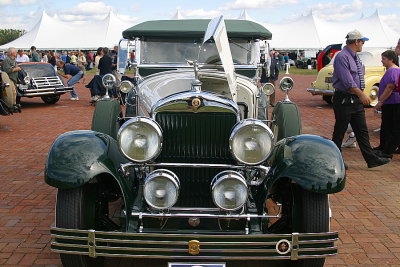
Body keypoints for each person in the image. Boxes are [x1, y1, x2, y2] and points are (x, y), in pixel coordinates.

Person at [331, 29, 390, 168]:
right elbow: (347, 81)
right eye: (362, 41)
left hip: (354, 100)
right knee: (340, 131)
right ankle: (334, 159)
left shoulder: (355, 56)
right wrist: (361, 94)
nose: (363, 43)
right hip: (345, 99)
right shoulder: (342, 57)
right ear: (356, 41)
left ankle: (371, 159)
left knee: (362, 131)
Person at [374, 50, 400, 158]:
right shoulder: (392, 70)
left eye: (384, 59)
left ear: (391, 59)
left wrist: (381, 101)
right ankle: (384, 146)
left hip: (392, 102)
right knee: (387, 125)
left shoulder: (392, 71)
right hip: (391, 102)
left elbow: (390, 87)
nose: (382, 61)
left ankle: (387, 149)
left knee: (390, 126)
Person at [1, 47, 22, 112]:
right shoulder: (7, 60)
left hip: (13, 79)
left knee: (14, 93)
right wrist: (16, 69)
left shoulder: (13, 59)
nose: (16, 53)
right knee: (11, 94)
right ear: (12, 53)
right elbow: (7, 70)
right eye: (15, 52)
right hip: (8, 79)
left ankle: (13, 107)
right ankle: (10, 107)